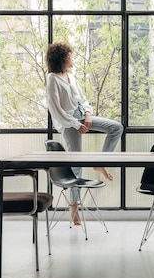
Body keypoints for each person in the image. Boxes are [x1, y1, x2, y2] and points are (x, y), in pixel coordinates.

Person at [45, 42, 123, 225]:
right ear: (61, 58)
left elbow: (83, 99)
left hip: (82, 115)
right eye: (69, 56)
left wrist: (87, 114)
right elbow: (56, 110)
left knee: (116, 128)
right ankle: (74, 210)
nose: (72, 58)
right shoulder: (52, 79)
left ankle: (100, 162)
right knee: (76, 165)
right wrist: (75, 124)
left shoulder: (70, 76)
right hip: (69, 122)